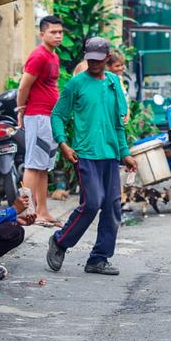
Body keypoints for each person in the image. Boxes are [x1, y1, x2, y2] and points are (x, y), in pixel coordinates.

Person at [45, 36, 136, 277]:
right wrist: (63, 143)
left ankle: (98, 258)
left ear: (107, 58)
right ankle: (60, 241)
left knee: (112, 207)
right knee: (92, 203)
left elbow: (118, 124)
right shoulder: (76, 84)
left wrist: (125, 153)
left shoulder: (114, 83)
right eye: (90, 60)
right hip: (85, 154)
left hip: (110, 155)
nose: (94, 64)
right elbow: (57, 115)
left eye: (99, 60)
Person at [15, 16, 65, 226]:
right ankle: (25, 211)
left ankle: (42, 211)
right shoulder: (38, 56)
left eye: (60, 32)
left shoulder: (53, 56)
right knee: (33, 164)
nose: (58, 36)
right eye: (53, 32)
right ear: (41, 33)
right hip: (37, 115)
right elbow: (24, 85)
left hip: (49, 117)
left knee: (44, 166)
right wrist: (21, 109)